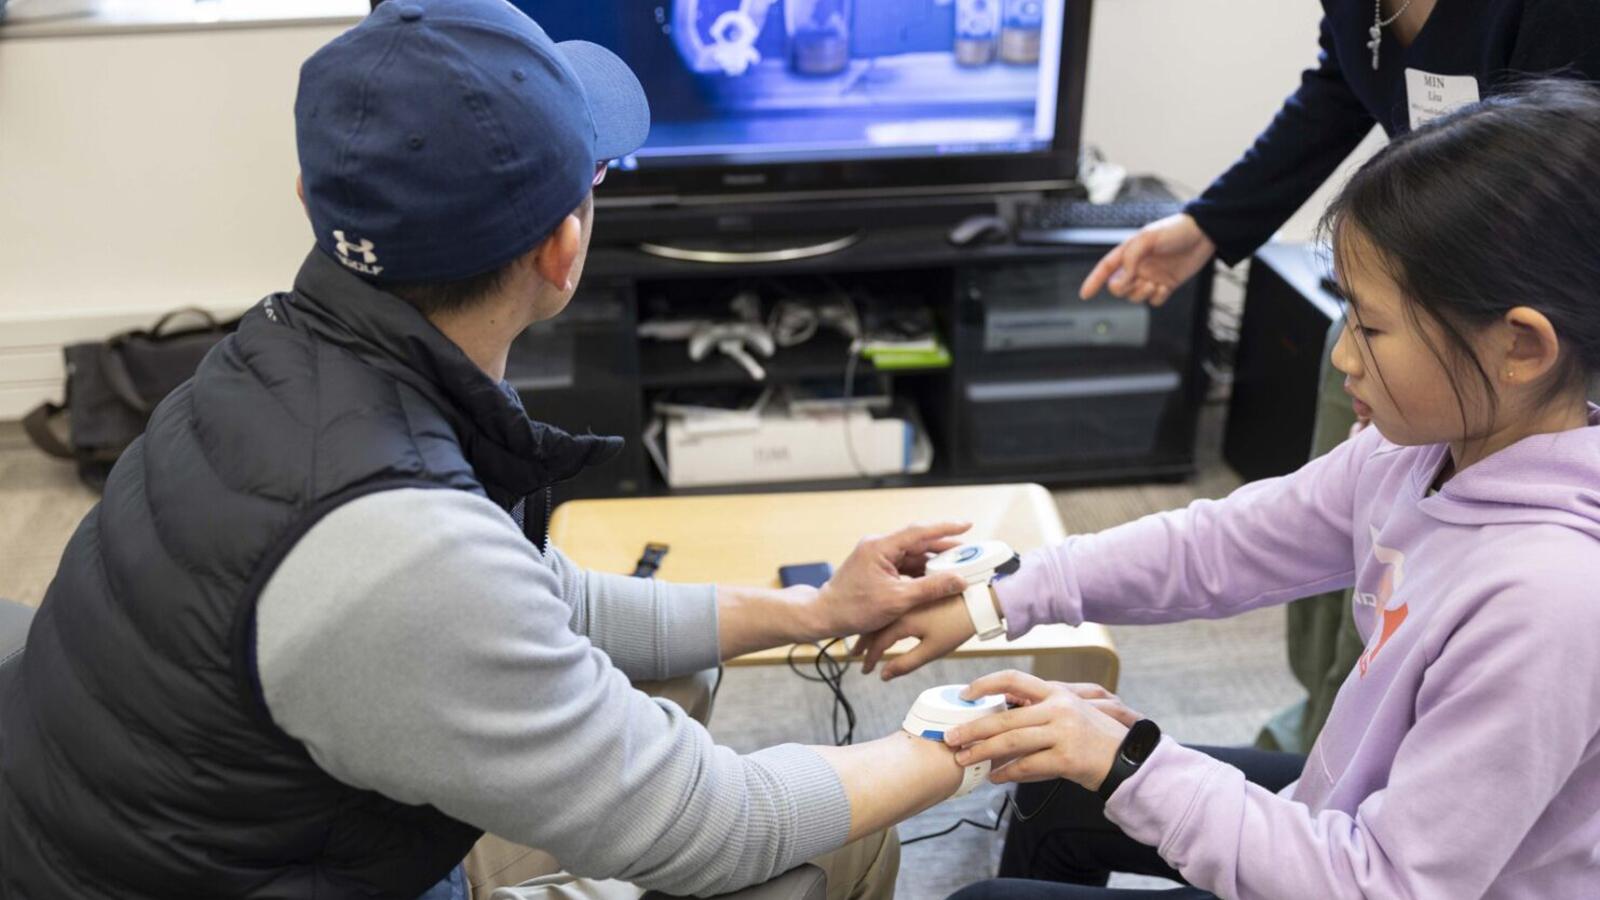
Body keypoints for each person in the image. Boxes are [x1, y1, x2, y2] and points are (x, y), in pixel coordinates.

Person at [0, 3, 980, 899]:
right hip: (271, 870)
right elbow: (714, 824)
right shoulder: (396, 549)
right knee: (838, 846)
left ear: (316, 199)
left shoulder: (276, 358)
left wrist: (808, 611)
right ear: (563, 251)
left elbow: (525, 593)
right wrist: (960, 738)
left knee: (681, 684)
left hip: (214, 839)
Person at [861, 81, 1600, 897]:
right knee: (1048, 778)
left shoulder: (1551, 601)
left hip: (1370, 877)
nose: (1345, 357)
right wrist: (997, 599)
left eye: (1372, 326)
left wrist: (1133, 762)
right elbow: (1224, 545)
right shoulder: (1424, 453)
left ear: (1521, 347)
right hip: (1344, 820)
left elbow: (1382, 886)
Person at [1079, 0, 1600, 754]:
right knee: (1351, 526)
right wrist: (1211, 225)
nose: (1349, 356)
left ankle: (1382, 737)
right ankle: (1326, 721)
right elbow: (1335, 89)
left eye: (1372, 332)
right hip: (1438, 304)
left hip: (1515, 315)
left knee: (1447, 598)